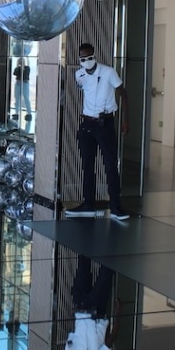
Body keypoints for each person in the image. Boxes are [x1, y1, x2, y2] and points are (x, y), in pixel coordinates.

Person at [65, 43, 129, 220]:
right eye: (83, 59)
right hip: (87, 122)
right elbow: (82, 89)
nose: (87, 61)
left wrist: (125, 119)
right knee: (87, 164)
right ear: (79, 59)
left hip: (105, 122)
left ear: (94, 55)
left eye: (89, 57)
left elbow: (123, 93)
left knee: (110, 165)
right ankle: (88, 204)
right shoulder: (79, 74)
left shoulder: (108, 72)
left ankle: (115, 207)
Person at [65, 254, 118, 350]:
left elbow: (74, 330)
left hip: (80, 305)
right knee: (106, 271)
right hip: (97, 310)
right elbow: (111, 339)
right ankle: (113, 239)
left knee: (83, 263)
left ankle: (87, 235)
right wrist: (118, 313)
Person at [12, 57, 32, 122]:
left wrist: (22, 68)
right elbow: (14, 73)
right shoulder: (17, 68)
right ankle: (16, 113)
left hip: (25, 83)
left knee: (26, 97)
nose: (21, 63)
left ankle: (29, 113)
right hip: (18, 83)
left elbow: (26, 74)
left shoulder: (27, 68)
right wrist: (17, 66)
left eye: (21, 62)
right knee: (17, 98)